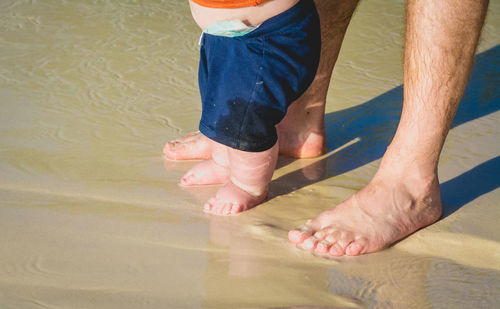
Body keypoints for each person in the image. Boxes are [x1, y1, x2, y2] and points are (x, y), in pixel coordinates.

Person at [166, 0, 489, 256]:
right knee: (227, 98)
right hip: (225, 33)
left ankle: (248, 183)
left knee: (246, 114)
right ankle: (287, 127)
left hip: (260, 36)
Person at [180, 0, 322, 215]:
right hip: (222, 33)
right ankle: (223, 163)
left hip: (268, 36)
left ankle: (247, 185)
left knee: (244, 119)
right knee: (220, 103)